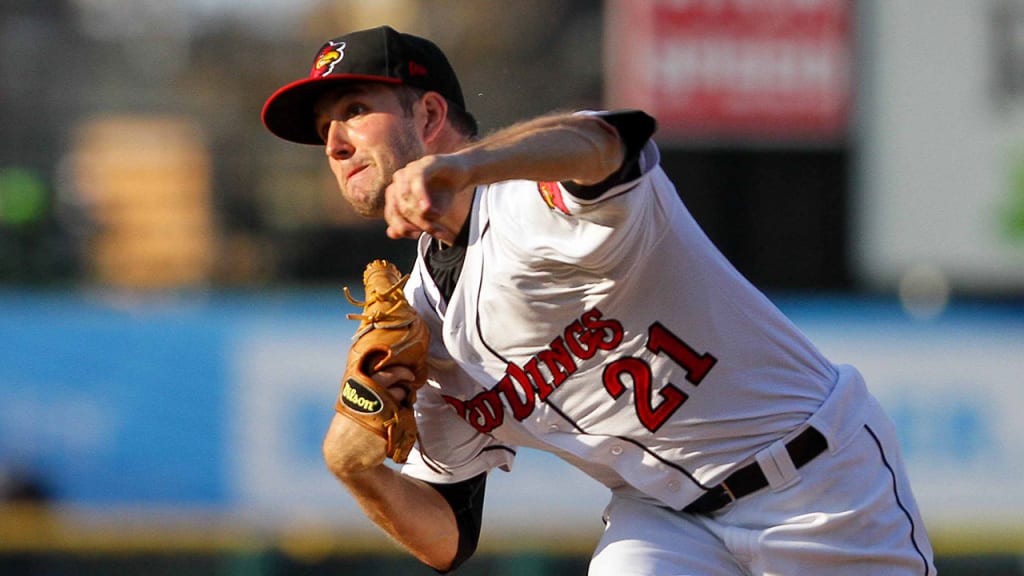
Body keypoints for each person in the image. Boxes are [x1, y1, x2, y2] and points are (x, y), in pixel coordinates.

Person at [262, 25, 937, 575]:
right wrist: (354, 472)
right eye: (324, 128)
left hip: (820, 487)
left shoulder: (530, 194)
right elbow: (446, 535)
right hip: (666, 522)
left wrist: (466, 167)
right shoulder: (423, 327)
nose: (334, 141)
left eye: (353, 111)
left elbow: (609, 141)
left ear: (432, 113)